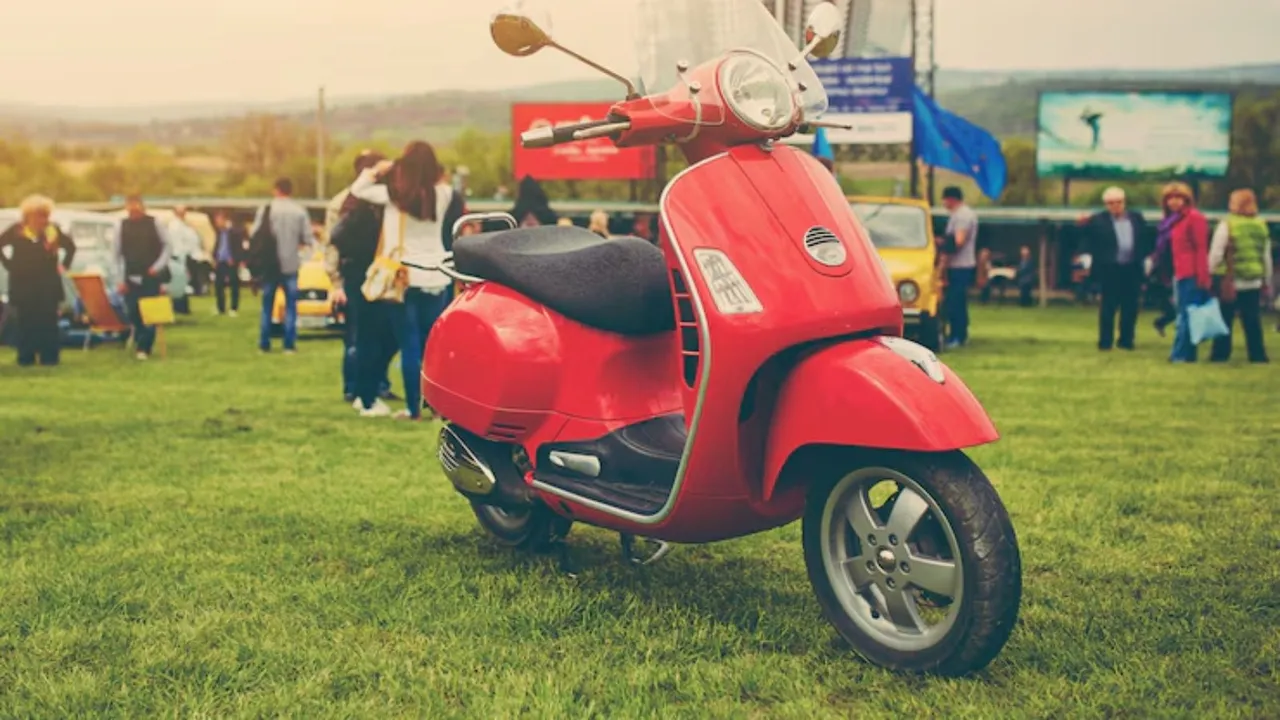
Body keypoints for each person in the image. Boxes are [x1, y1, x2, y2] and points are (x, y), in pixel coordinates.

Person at [349, 140, 465, 419]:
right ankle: (438, 407)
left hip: (403, 276)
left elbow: (358, 190)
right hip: (437, 274)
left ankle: (414, 408)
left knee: (409, 344)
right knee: (432, 346)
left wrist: (379, 169)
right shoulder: (446, 193)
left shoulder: (394, 196)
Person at [329, 150, 395, 405]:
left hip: (366, 271)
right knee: (360, 333)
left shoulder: (371, 201)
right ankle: (356, 386)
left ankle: (369, 385)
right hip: (360, 272)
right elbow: (331, 243)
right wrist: (335, 283)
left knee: (367, 333)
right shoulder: (351, 202)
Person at [0, 195, 76, 366]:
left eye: (45, 215)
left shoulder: (52, 231)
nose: (43, 219)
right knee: (26, 320)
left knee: (48, 320)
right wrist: (9, 264)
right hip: (23, 284)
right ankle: (26, 356)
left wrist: (64, 266)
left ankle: (49, 356)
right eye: (38, 215)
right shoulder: (17, 231)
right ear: (28, 215)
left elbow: (70, 247)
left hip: (47, 284)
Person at [1079, 187, 1150, 351]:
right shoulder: (1097, 220)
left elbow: (1146, 240)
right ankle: (1105, 342)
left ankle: (1126, 341)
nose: (1115, 206)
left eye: (1118, 202)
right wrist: (1086, 259)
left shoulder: (1137, 218)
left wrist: (1147, 260)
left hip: (1132, 268)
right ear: (1106, 205)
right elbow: (1085, 240)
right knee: (1108, 307)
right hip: (1109, 269)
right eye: (1111, 203)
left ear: (1124, 202)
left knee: (1130, 307)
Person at [250, 178, 315, 354]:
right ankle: (289, 344)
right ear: (290, 190)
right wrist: (303, 258)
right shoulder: (299, 211)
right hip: (291, 264)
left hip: (270, 264)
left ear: (275, 190)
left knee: (267, 305)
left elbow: (255, 235)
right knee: (291, 306)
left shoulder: (266, 210)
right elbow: (309, 239)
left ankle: (264, 343)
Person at [1208, 189, 1271, 363]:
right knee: (1252, 319)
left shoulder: (1227, 224)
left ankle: (1220, 353)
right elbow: (1265, 255)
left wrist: (1211, 271)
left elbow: (1217, 252)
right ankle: (1257, 354)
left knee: (1225, 317)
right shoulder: (1261, 225)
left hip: (1231, 279)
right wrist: (1266, 277)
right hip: (1253, 280)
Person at [114, 194, 172, 361]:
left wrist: (158, 267)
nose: (133, 209)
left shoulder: (154, 223)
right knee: (132, 311)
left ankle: (144, 347)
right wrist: (119, 278)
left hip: (150, 274)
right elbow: (115, 254)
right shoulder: (121, 226)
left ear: (142, 206)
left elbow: (167, 246)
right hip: (130, 275)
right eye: (130, 205)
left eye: (136, 205)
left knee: (150, 312)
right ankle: (139, 338)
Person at [1161, 182, 1211, 364]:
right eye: (1169, 198)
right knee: (1184, 313)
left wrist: (1203, 276)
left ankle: (1180, 354)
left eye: (1178, 198)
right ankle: (1187, 353)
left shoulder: (1194, 218)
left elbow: (1200, 248)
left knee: (1185, 315)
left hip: (1191, 273)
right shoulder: (1173, 220)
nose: (1173, 202)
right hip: (1178, 272)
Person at [939, 186, 978, 348]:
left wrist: (942, 245)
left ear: (951, 199)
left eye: (944, 199)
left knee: (955, 302)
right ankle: (960, 334)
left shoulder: (962, 216)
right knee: (958, 302)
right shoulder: (962, 214)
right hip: (961, 265)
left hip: (960, 266)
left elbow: (958, 241)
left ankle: (957, 336)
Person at [211, 210, 246, 316]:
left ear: (224, 219)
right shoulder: (219, 232)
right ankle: (220, 307)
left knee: (234, 284)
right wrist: (215, 257)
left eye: (218, 220)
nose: (217, 223)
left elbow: (239, 247)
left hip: (231, 261)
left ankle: (233, 308)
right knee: (218, 285)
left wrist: (235, 259)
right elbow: (218, 245)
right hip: (220, 260)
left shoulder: (235, 231)